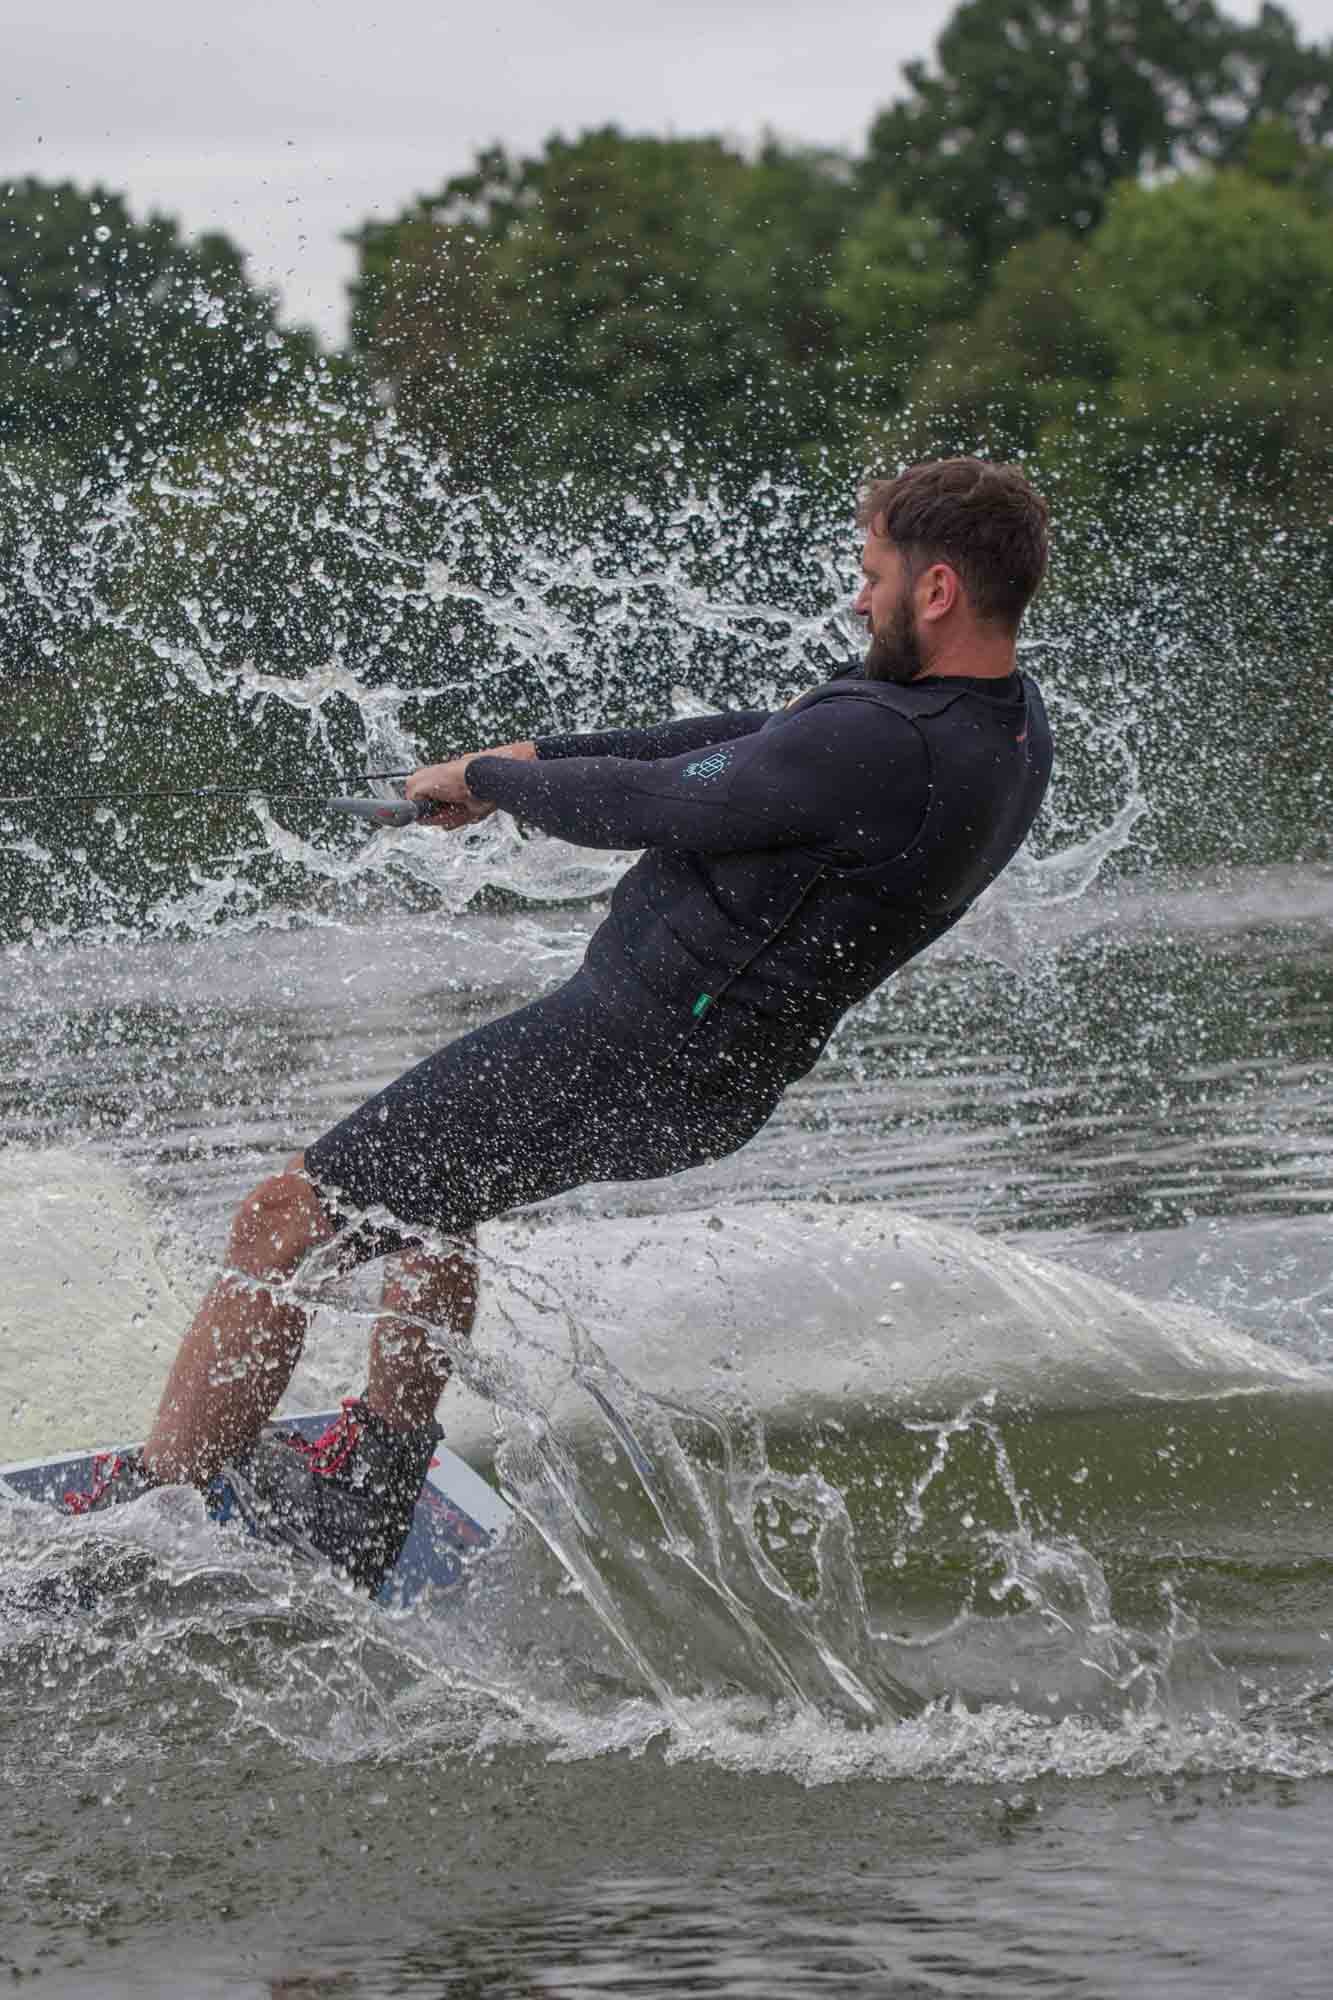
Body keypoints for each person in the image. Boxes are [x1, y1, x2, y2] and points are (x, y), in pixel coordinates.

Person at [69, 456, 1054, 1593]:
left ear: (934, 589)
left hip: (629, 1049)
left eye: (870, 574)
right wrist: (533, 764)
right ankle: (375, 1480)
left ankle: (157, 1523)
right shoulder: (996, 725)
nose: (855, 598)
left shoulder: (892, 742)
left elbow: (664, 801)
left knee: (281, 1218)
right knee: (438, 1192)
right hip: (703, 1077)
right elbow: (742, 740)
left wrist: (491, 772)